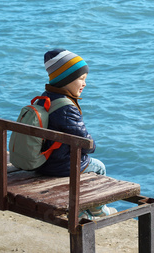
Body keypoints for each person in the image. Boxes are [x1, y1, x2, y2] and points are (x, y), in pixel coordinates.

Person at [37, 48, 115, 219]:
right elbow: (84, 142)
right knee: (98, 167)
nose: (85, 83)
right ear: (66, 80)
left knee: (87, 164)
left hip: (42, 161)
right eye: (81, 78)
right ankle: (97, 209)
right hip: (59, 166)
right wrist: (92, 145)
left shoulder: (46, 97)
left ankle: (83, 210)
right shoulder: (66, 108)